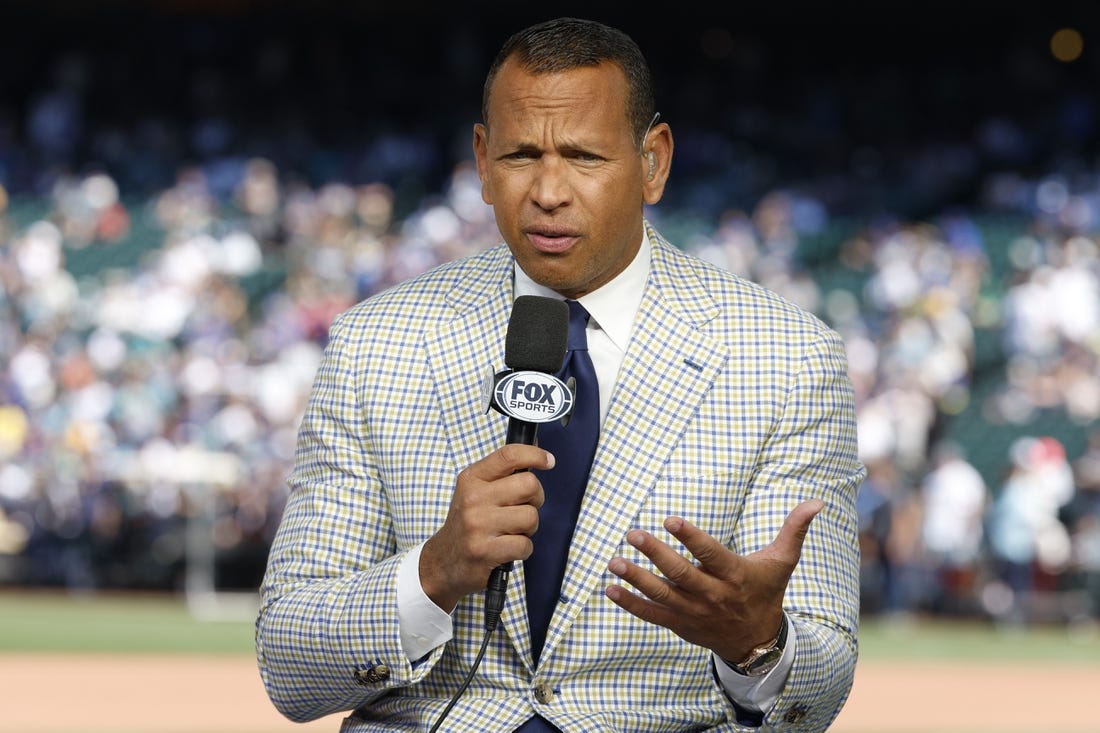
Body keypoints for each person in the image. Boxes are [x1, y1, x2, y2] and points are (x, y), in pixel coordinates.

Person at [256, 17, 864, 732]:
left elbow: (817, 688)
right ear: (482, 162)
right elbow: (288, 664)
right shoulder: (377, 342)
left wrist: (756, 643)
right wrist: (434, 572)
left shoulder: (788, 357)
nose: (548, 190)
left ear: (654, 162)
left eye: (582, 156)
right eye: (520, 155)